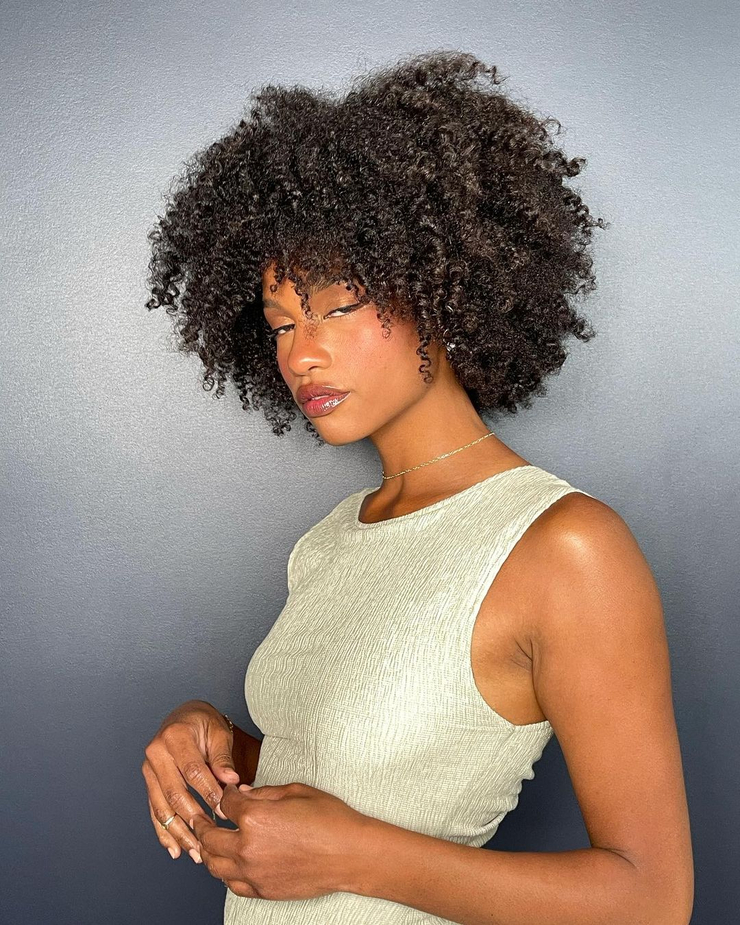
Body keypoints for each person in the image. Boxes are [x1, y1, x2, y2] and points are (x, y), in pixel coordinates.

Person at [141, 50, 694, 925]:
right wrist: (212, 741)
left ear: (437, 289)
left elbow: (652, 899)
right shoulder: (332, 539)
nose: (301, 354)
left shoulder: (565, 547)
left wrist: (355, 854)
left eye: (335, 307)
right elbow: (335, 784)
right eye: (280, 324)